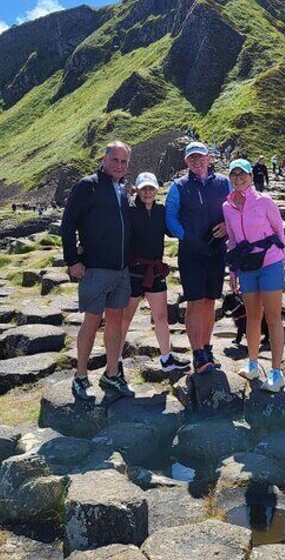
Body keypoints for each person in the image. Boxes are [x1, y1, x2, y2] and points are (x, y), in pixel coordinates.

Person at [61, 141, 135, 400]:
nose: (119, 165)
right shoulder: (87, 185)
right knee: (91, 322)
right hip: (96, 268)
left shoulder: (124, 189)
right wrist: (72, 260)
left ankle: (111, 374)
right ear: (104, 159)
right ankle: (81, 376)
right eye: (115, 160)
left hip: (121, 270)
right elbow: (68, 224)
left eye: (124, 161)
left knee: (115, 321)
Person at [165, 142, 231, 374]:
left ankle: (207, 347)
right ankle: (198, 354)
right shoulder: (178, 186)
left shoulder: (224, 183)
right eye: (191, 158)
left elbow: (233, 209)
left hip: (216, 251)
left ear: (209, 158)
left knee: (210, 301)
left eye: (200, 157)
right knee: (194, 301)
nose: (197, 161)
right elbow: (170, 217)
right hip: (191, 253)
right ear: (186, 162)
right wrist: (187, 237)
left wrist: (227, 225)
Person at [222, 159, 285, 392]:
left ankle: (276, 372)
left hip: (270, 262)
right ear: (229, 177)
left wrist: (282, 261)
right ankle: (252, 364)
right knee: (252, 316)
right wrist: (233, 271)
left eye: (243, 174)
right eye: (234, 174)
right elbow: (232, 240)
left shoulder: (265, 201)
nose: (239, 178)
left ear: (251, 176)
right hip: (247, 266)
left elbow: (279, 230)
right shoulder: (227, 207)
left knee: (273, 317)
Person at [119, 173, 191, 374]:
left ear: (156, 190)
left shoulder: (161, 211)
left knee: (161, 317)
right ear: (138, 190)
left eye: (151, 189)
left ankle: (166, 358)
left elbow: (175, 227)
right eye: (144, 189)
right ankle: (115, 358)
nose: (148, 192)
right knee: (126, 318)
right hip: (133, 271)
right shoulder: (129, 211)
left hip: (155, 271)